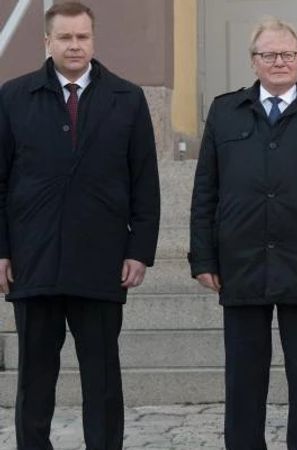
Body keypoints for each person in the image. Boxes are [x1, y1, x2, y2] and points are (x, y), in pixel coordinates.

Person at [189, 17, 297, 450]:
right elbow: (205, 190)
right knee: (244, 378)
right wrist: (203, 258)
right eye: (269, 54)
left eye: (287, 54)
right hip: (241, 262)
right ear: (254, 61)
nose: (279, 62)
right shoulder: (225, 111)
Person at [0, 2, 161, 448]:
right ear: (47, 41)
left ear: (93, 39)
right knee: (34, 377)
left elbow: (144, 181)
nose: (75, 45)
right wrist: (2, 249)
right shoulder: (12, 97)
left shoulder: (127, 98)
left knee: (103, 377)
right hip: (34, 260)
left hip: (103, 260)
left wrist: (139, 250)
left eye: (83, 37)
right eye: (66, 37)